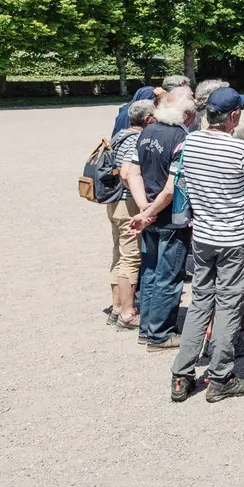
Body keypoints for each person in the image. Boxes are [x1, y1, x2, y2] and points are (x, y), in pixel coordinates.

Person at [168, 87, 244, 403]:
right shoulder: (239, 150)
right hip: (235, 237)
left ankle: (182, 374)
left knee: (200, 301)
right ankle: (220, 375)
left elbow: (181, 179)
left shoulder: (191, 142)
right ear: (233, 117)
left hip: (204, 234)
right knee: (227, 304)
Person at [130, 93, 194, 351]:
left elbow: (132, 172)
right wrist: (151, 210)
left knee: (150, 270)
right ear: (187, 115)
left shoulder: (146, 132)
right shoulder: (181, 138)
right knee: (169, 274)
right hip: (170, 216)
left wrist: (144, 206)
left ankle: (147, 328)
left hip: (149, 212)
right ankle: (160, 333)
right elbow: (171, 187)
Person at [105, 99, 152, 330]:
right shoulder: (136, 139)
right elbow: (127, 173)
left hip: (114, 202)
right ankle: (127, 312)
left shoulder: (120, 135)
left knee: (119, 254)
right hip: (128, 202)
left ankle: (116, 306)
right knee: (131, 257)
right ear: (147, 119)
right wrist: (145, 205)